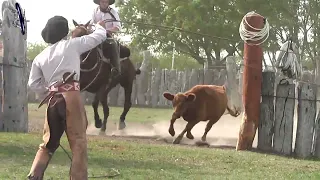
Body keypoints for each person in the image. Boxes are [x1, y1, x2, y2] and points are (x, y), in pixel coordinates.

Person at [27, 15, 107, 180]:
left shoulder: (39, 57)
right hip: (71, 98)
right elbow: (99, 37)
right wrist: (99, 26)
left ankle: (34, 175)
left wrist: (48, 92)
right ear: (64, 31)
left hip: (52, 101)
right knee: (78, 143)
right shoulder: (72, 45)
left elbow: (33, 84)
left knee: (47, 143)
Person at [90, 0, 131, 77]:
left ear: (108, 3)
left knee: (113, 44)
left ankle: (116, 69)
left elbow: (117, 27)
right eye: (103, 2)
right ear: (99, 2)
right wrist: (97, 28)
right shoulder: (95, 11)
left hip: (108, 36)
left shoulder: (113, 12)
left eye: (106, 2)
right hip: (96, 35)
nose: (104, 3)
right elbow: (91, 25)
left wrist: (106, 30)